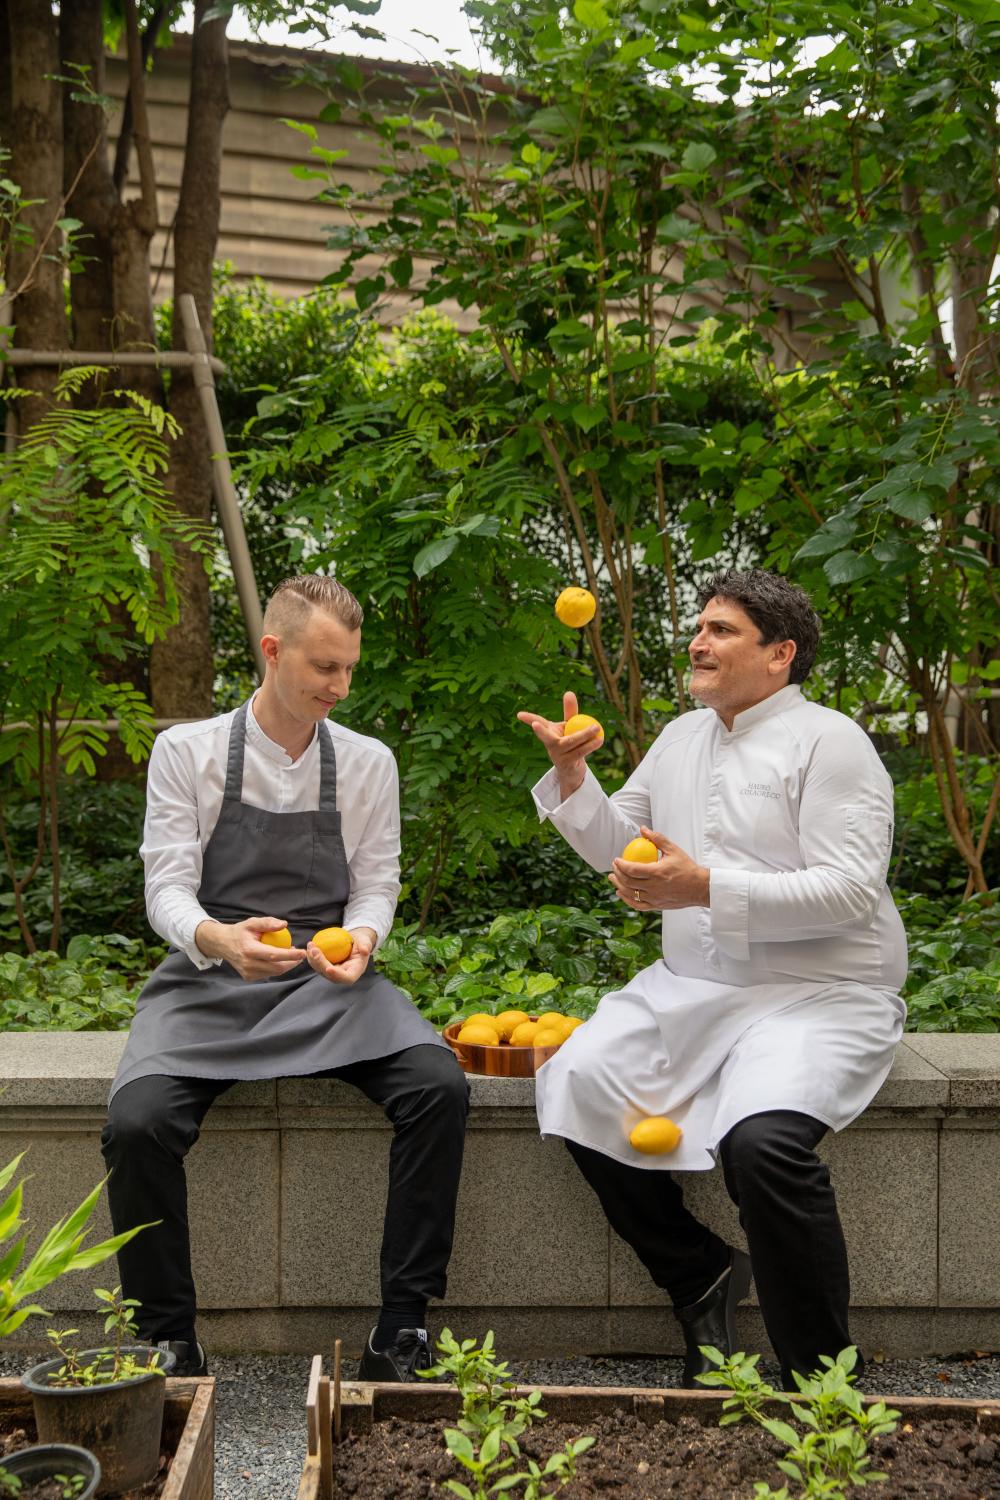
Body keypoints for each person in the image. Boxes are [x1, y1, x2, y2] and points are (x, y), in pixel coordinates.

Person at [517, 569, 907, 1389]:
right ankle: (699, 1274)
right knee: (576, 1080)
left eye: (722, 630)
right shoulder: (682, 736)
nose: (698, 640)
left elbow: (850, 892)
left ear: (781, 655)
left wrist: (706, 888)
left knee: (762, 1147)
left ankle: (823, 1381)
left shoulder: (832, 742)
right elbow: (623, 847)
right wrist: (573, 780)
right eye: (699, 626)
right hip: (690, 985)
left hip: (820, 994)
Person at [102, 574, 469, 1381]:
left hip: (325, 984)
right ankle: (168, 1337)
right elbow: (165, 885)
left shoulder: (369, 763)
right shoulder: (186, 752)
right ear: (273, 651)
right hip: (208, 977)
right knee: (137, 1124)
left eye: (348, 670)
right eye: (324, 668)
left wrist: (362, 941)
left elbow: (377, 880)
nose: (340, 687)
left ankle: (401, 1330)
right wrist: (219, 939)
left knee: (437, 1086)